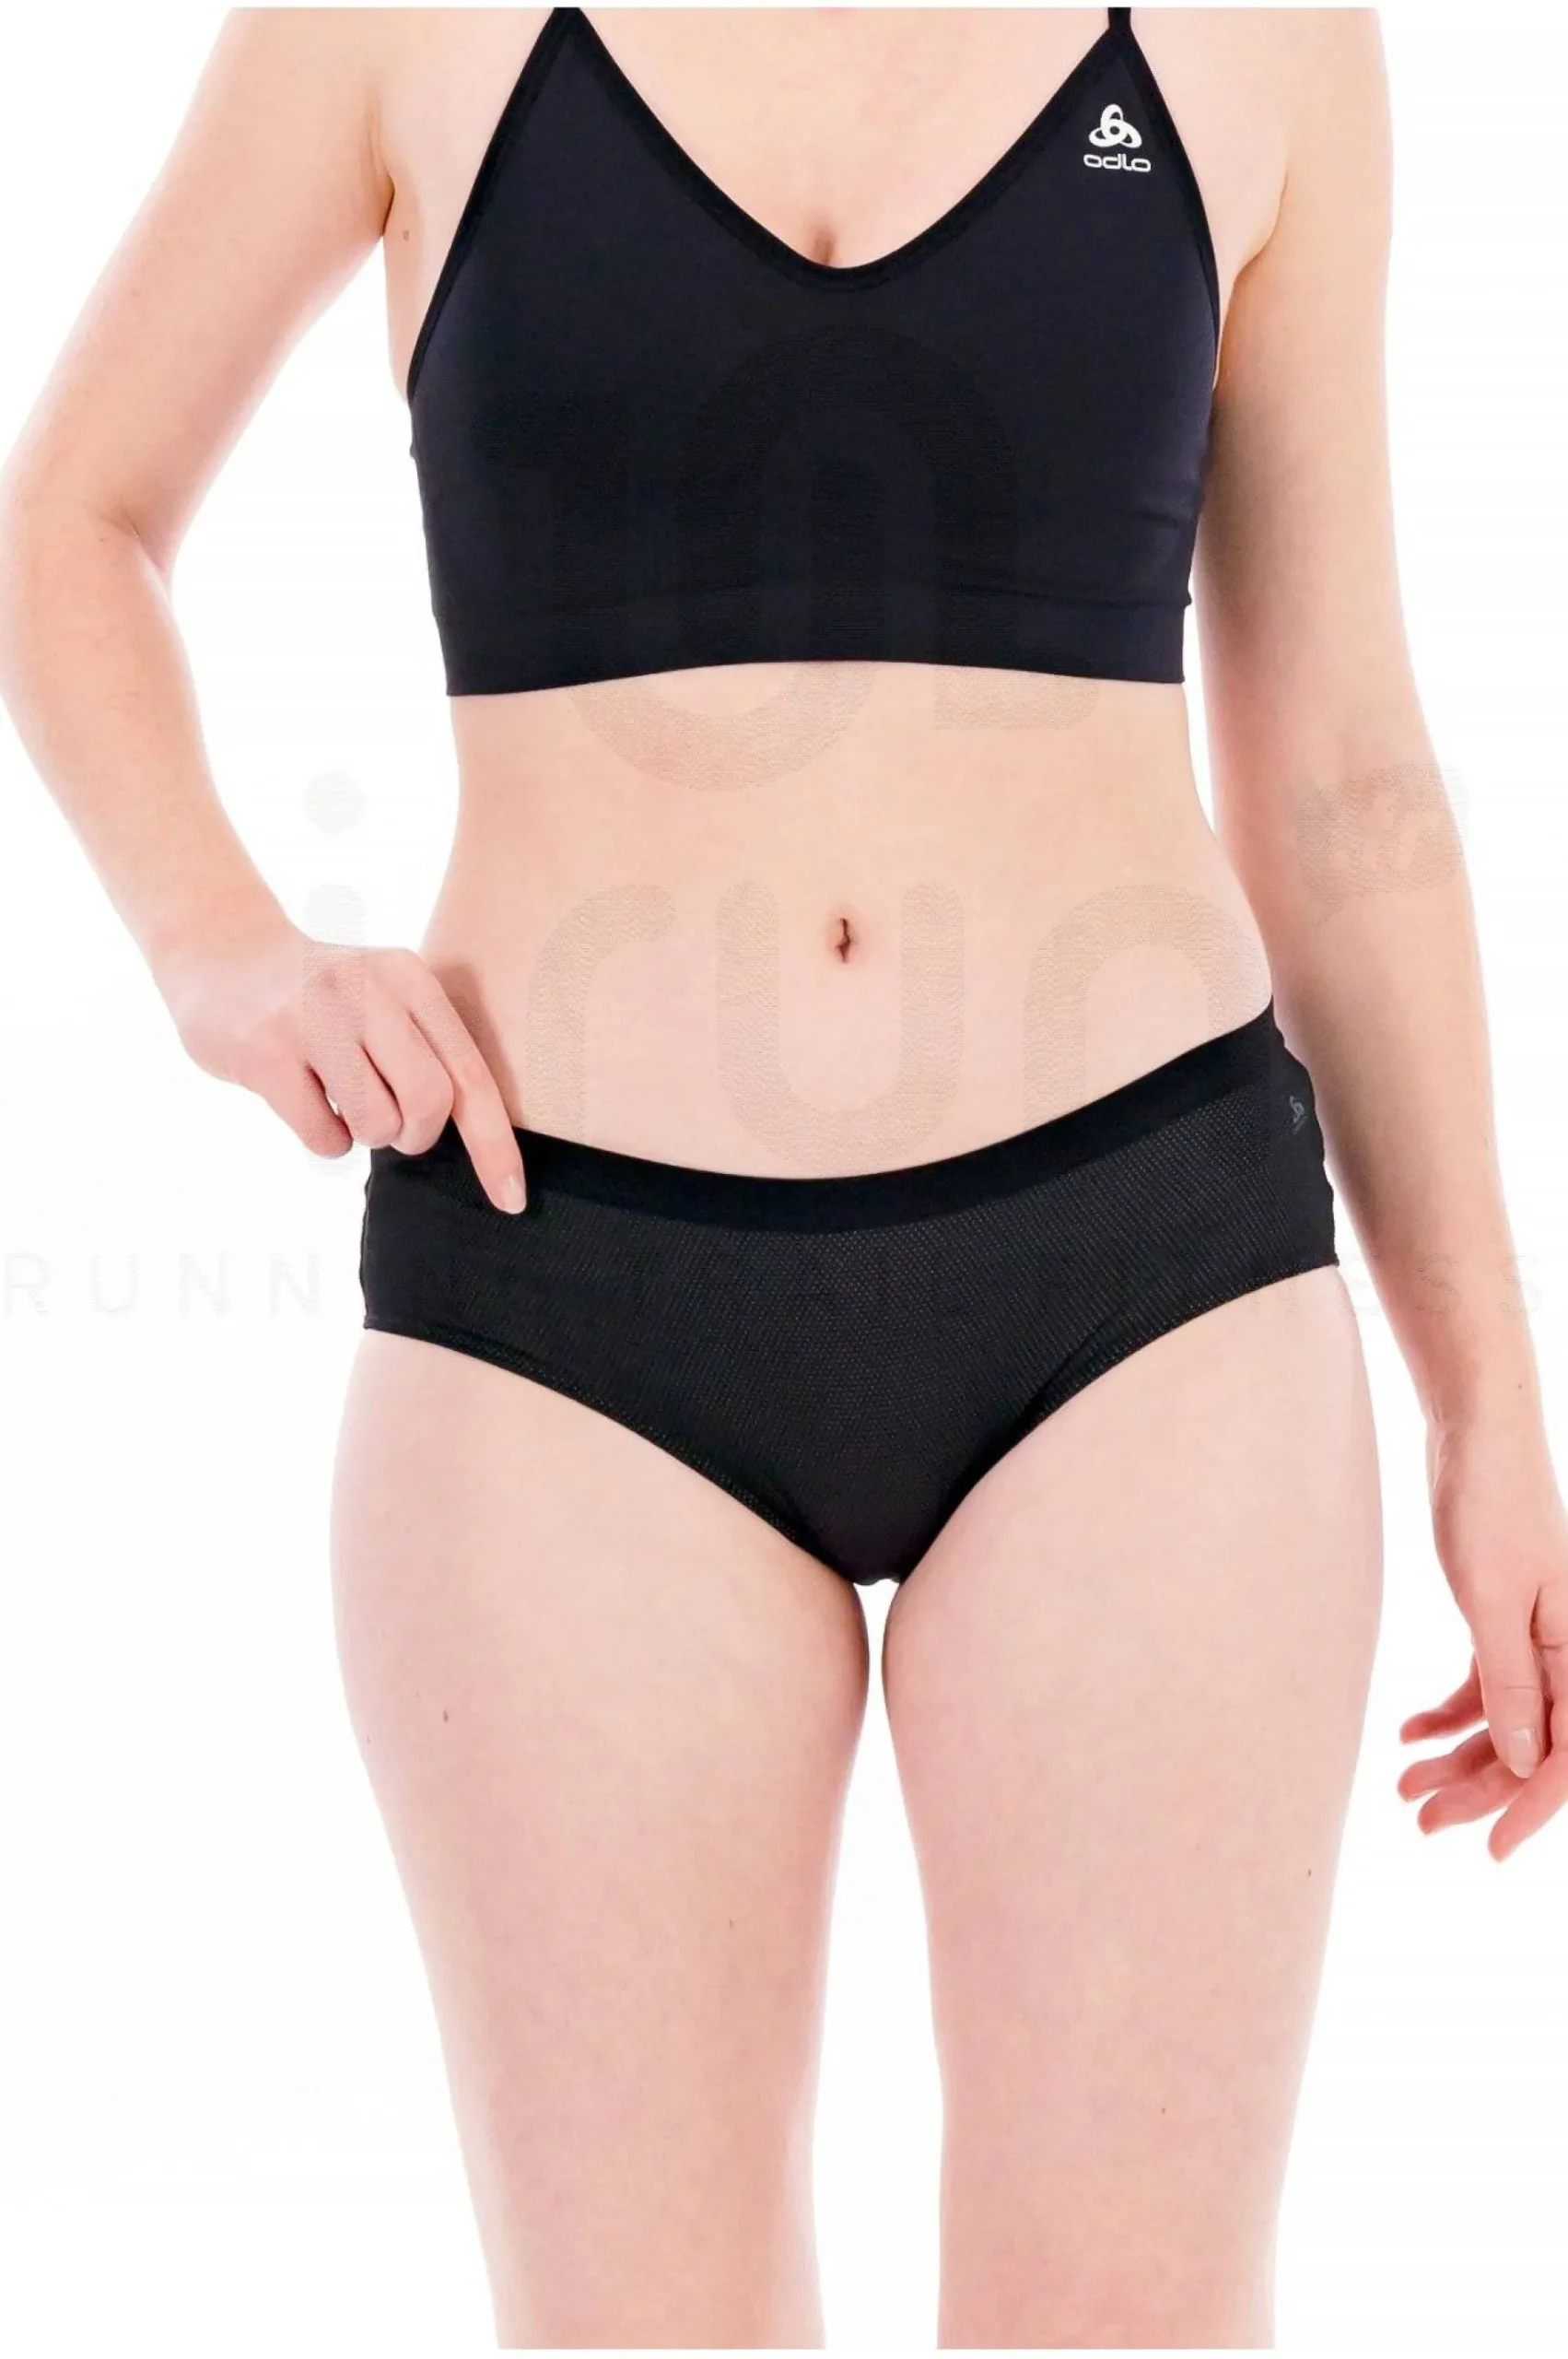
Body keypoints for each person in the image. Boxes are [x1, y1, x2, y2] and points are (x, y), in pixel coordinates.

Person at [1, 6, 1562, 2348]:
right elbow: (71, 516)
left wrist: (1486, 1400)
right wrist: (218, 943)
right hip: (564, 1304)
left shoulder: (1262, 38)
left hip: (1148, 1288)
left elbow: (1340, 764)